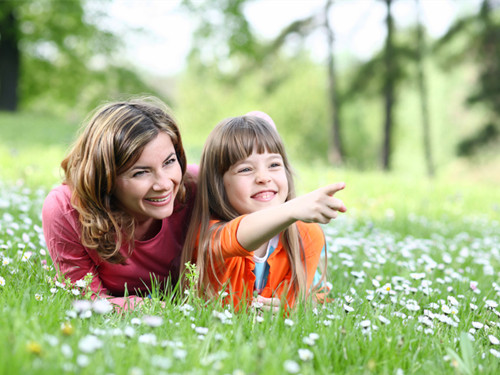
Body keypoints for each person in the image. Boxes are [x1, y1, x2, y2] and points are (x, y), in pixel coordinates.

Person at [42, 97, 197, 310]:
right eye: (141, 172)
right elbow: (88, 300)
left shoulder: (193, 187)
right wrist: (151, 308)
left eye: (169, 162)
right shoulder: (66, 208)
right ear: (106, 178)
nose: (164, 184)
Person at [180, 114, 346, 311]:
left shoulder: (306, 235)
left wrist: (287, 311)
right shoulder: (210, 236)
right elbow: (237, 237)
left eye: (274, 165)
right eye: (245, 169)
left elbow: (292, 305)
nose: (263, 177)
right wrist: (291, 208)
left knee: (316, 295)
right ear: (219, 184)